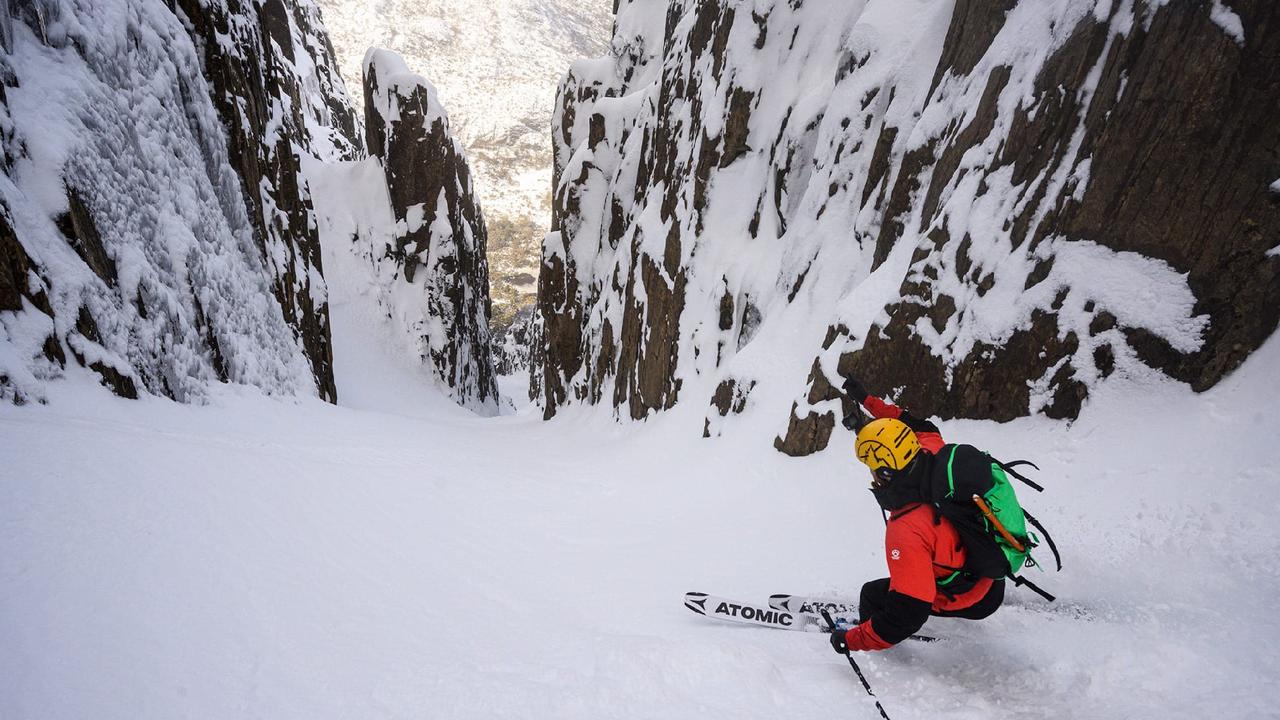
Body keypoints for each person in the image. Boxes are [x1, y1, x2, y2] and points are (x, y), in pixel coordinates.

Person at [829, 376, 1006, 655]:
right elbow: (907, 421)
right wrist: (866, 402)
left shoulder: (907, 527)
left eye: (873, 468)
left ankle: (874, 640)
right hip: (991, 579)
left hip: (973, 600)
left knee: (872, 596)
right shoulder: (932, 448)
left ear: (885, 473)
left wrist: (851, 640)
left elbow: (909, 610)